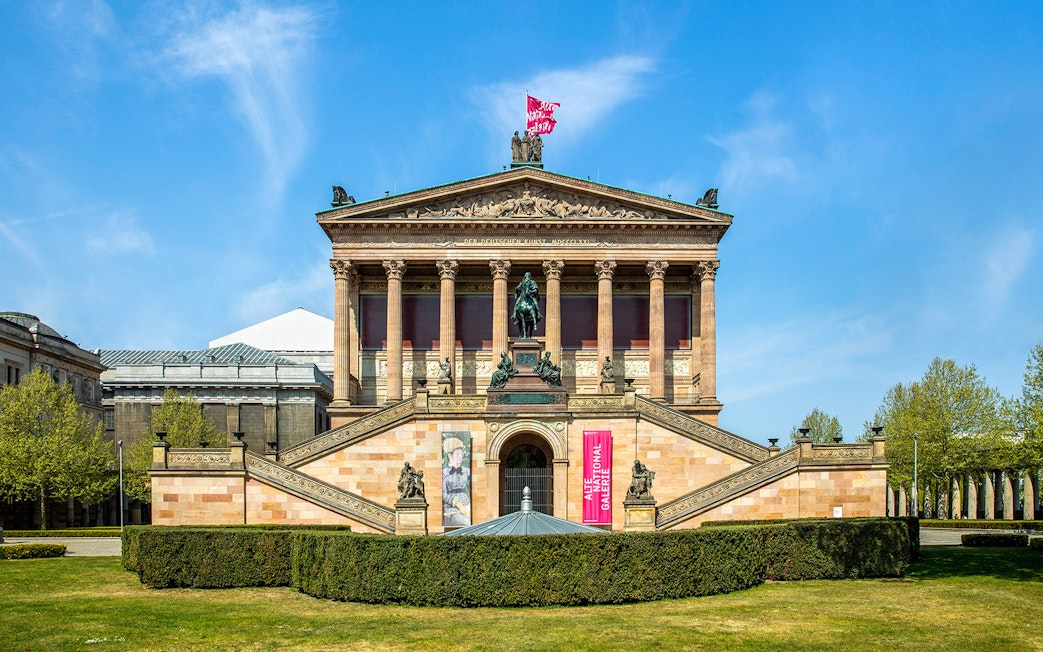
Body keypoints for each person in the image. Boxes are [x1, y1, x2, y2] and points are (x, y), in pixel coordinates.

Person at [442, 437, 471, 526]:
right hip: (452, 509)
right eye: (457, 454)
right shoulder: (444, 472)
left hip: (467, 506)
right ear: (450, 455)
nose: (460, 457)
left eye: (461, 454)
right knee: (466, 523)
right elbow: (443, 494)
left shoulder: (467, 471)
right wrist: (459, 505)